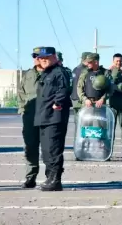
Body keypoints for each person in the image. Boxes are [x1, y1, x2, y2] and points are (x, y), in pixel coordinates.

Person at [35, 47, 71, 191]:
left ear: (54, 57)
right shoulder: (46, 73)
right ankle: (49, 177)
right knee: (46, 150)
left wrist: (58, 102)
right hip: (44, 116)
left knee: (53, 149)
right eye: (41, 58)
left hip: (54, 117)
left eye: (46, 57)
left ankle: (55, 180)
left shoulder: (59, 72)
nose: (43, 60)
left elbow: (63, 90)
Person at [77, 53, 113, 158]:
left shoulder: (105, 73)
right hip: (87, 105)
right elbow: (79, 88)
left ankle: (105, 153)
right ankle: (82, 150)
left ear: (96, 62)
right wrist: (85, 99)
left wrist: (102, 99)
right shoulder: (85, 73)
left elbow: (110, 89)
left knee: (102, 128)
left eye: (90, 62)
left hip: (100, 105)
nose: (88, 64)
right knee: (85, 128)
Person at [17, 47, 44, 188]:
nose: (37, 58)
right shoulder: (28, 74)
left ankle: (50, 177)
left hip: (47, 116)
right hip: (29, 116)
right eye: (34, 56)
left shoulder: (52, 73)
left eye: (39, 56)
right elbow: (21, 93)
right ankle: (30, 177)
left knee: (48, 149)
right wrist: (22, 109)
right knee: (30, 147)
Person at [71, 52, 92, 142]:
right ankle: (82, 144)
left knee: (79, 124)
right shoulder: (85, 70)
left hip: (75, 99)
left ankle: (78, 144)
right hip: (82, 100)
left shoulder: (75, 69)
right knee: (85, 124)